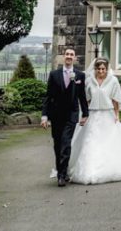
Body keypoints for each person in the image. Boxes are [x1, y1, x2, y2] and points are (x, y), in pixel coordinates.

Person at [67, 57, 121, 185]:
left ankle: (111, 168)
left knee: (109, 141)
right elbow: (86, 99)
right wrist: (85, 114)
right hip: (93, 115)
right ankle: (89, 169)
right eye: (99, 69)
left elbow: (115, 99)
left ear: (107, 69)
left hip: (108, 114)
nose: (101, 71)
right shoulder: (89, 81)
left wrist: (117, 114)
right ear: (95, 69)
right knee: (91, 142)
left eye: (103, 69)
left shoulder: (113, 81)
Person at [41, 47, 89, 187]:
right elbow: (48, 97)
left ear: (75, 58)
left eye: (71, 54)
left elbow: (82, 96)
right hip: (56, 115)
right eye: (67, 54)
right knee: (57, 145)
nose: (69, 56)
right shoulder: (54, 74)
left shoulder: (80, 75)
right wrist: (44, 116)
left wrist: (85, 114)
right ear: (63, 57)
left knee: (66, 144)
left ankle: (61, 176)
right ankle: (62, 170)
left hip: (71, 115)